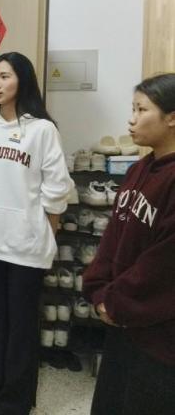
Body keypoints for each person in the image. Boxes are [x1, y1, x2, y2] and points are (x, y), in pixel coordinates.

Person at [0, 52, 73, 415]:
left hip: (26, 247)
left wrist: (47, 235)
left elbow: (56, 190)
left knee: (22, 330)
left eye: (5, 77)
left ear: (23, 80)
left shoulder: (42, 129)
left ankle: (15, 405)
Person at [83, 73, 175, 415]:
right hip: (121, 321)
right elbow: (114, 237)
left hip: (158, 335)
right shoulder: (138, 169)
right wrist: (98, 289)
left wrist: (114, 301)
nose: (131, 119)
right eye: (132, 109)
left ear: (172, 117)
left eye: (141, 110)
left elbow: (162, 264)